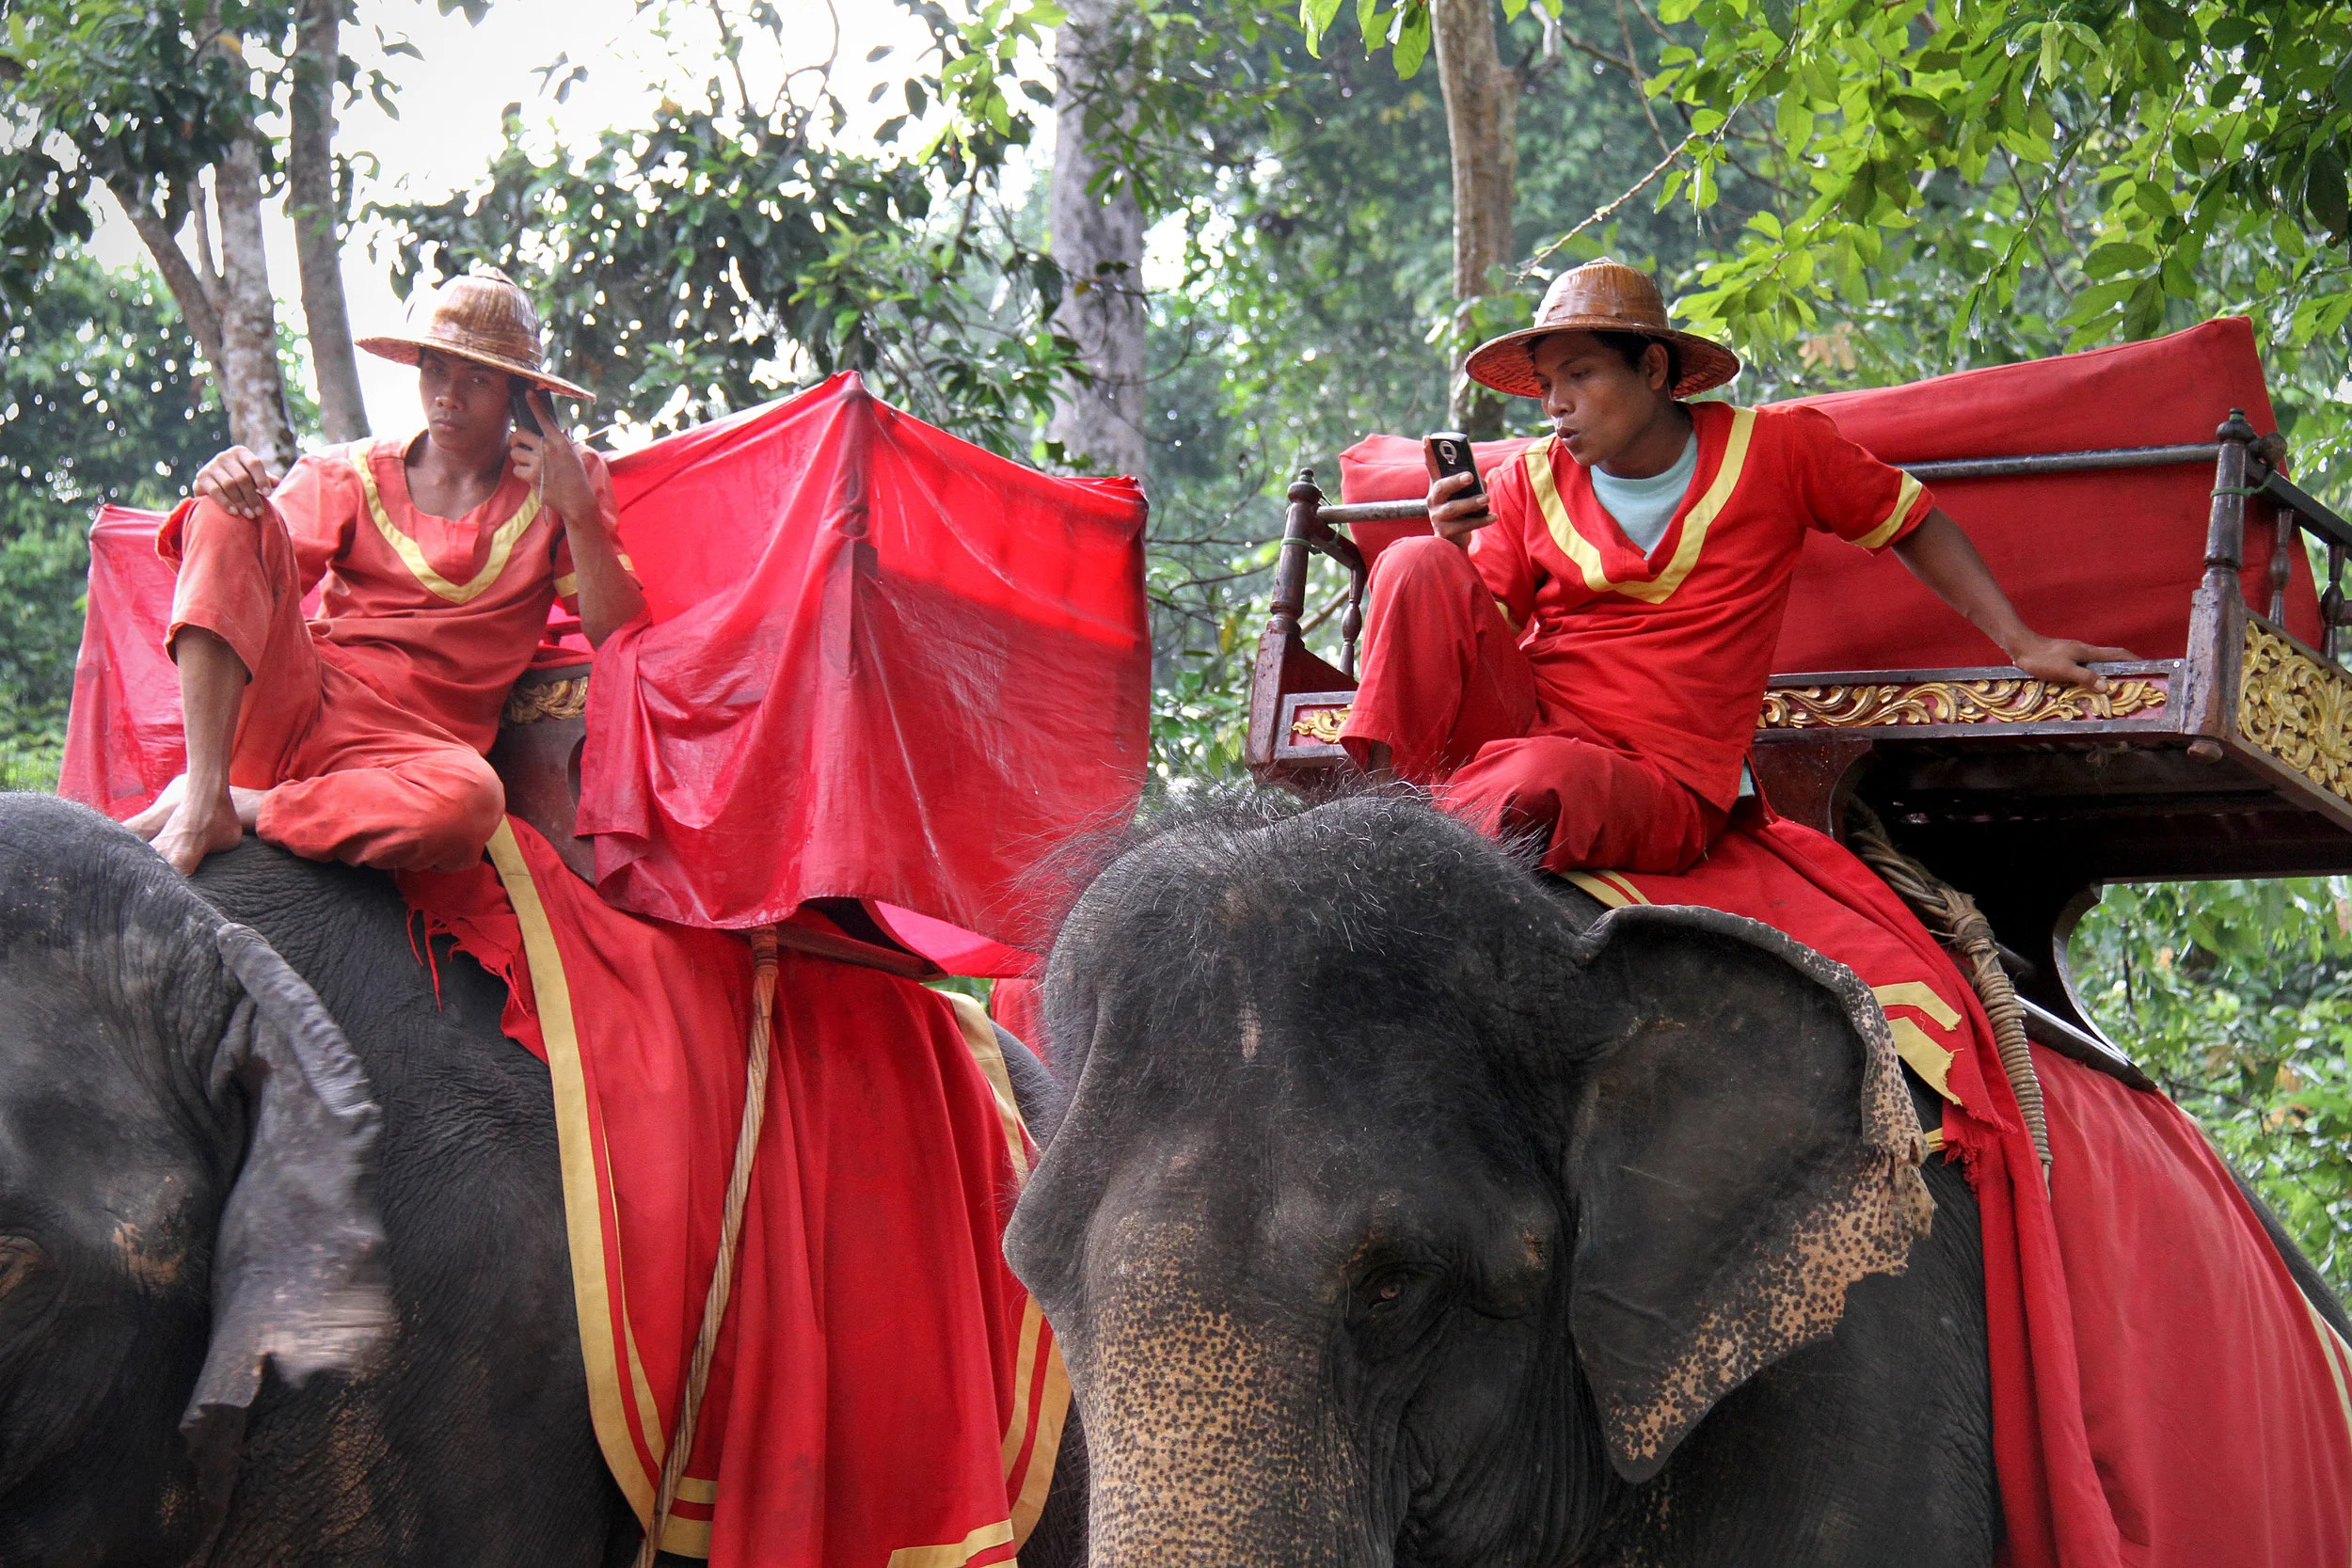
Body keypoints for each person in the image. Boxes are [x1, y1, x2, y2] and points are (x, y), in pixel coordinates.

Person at [1338, 258, 2129, 875]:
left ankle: (1411, 840)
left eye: (1580, 374)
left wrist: (2022, 640)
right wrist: (1449, 547)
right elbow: (1473, 634)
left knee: (1540, 777)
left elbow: (1911, 520)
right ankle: (1373, 824)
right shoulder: (1525, 482)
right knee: (1413, 559)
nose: (1556, 403)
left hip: (1656, 778)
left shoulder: (1780, 449)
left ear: (1651, 369)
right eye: (1546, 385)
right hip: (1528, 727)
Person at [129, 267, 645, 876]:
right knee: (226, 511)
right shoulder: (349, 471)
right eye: (436, 370)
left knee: (473, 801)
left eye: (477, 377)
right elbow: (243, 566)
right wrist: (226, 484)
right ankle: (204, 787)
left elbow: (616, 633)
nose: (448, 395)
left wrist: (579, 513)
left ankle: (241, 805)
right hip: (297, 705)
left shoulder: (568, 481)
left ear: (520, 392)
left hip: (412, 758)